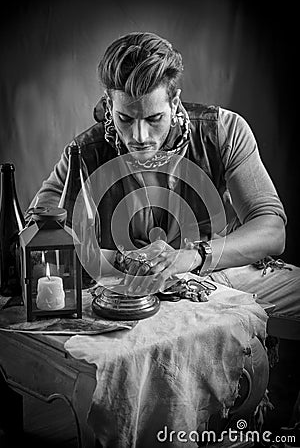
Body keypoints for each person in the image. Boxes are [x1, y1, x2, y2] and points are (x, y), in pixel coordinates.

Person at [28, 31, 299, 335]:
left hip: (217, 270)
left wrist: (194, 256)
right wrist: (123, 260)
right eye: (125, 119)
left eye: (154, 118)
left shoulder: (224, 130)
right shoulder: (84, 153)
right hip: (127, 286)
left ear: (174, 101)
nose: (139, 137)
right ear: (108, 105)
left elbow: (272, 230)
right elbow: (35, 235)